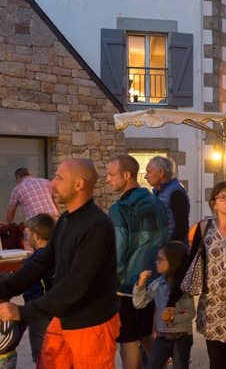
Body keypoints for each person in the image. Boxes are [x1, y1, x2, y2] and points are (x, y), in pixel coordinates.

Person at [0, 158, 120, 367]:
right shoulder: (65, 220)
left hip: (92, 325)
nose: (53, 182)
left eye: (60, 177)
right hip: (64, 319)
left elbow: (76, 284)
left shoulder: (97, 225)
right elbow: (41, 262)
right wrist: (5, 289)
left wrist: (23, 311)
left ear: (79, 184)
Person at [106, 154, 169, 369]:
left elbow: (118, 250)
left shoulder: (119, 209)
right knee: (144, 335)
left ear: (127, 175)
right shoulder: (158, 203)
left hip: (127, 285)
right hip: (153, 280)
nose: (107, 179)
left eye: (110, 174)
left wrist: (110, 283)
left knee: (128, 343)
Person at [190, 182, 226, 369]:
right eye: (223, 197)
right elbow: (191, 260)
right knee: (216, 360)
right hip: (212, 303)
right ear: (213, 203)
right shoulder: (204, 227)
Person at [133, 241, 195, 369]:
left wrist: (173, 317)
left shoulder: (184, 286)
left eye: (161, 259)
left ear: (173, 261)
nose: (157, 262)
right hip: (162, 337)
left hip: (181, 336)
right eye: (157, 259)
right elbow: (139, 303)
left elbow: (190, 312)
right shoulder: (157, 284)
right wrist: (140, 285)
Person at [21, 213, 55, 363]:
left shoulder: (32, 262)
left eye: (26, 234)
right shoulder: (61, 256)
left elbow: (31, 292)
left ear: (35, 236)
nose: (26, 238)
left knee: (43, 358)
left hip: (40, 315)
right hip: (60, 312)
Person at [145, 156, 190, 246]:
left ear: (161, 173)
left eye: (149, 172)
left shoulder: (176, 192)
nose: (146, 177)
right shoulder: (159, 193)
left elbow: (181, 226)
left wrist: (168, 249)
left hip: (172, 254)